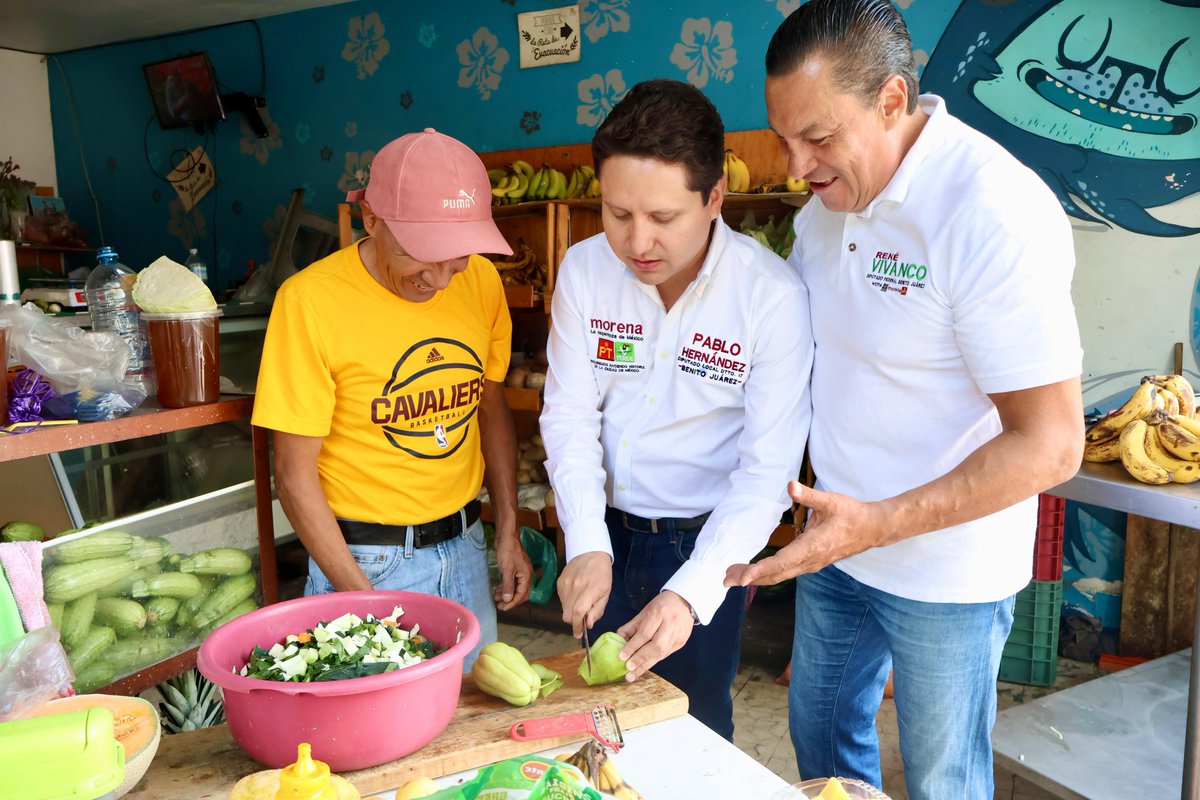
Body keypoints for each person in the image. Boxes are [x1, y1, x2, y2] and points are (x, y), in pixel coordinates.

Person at [724, 2, 1084, 798]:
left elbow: (1053, 444)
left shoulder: (991, 210)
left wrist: (878, 524)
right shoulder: (823, 214)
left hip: (950, 572)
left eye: (817, 139)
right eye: (784, 139)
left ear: (893, 101)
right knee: (820, 746)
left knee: (941, 779)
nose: (793, 166)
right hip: (838, 545)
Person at [541, 79, 813, 740]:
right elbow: (569, 416)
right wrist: (583, 539)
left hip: (706, 543)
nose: (637, 241)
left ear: (715, 196)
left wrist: (691, 593)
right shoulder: (583, 271)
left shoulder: (769, 298)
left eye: (663, 218)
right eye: (617, 213)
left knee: (692, 732)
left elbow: (765, 474)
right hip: (604, 530)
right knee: (602, 727)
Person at [252, 128, 533, 669]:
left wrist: (508, 528)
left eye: (455, 258)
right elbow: (292, 476)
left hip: (467, 544)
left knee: (473, 722)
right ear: (371, 220)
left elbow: (489, 407)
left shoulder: (481, 284)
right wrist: (365, 602)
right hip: (363, 561)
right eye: (419, 256)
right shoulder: (310, 303)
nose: (438, 278)